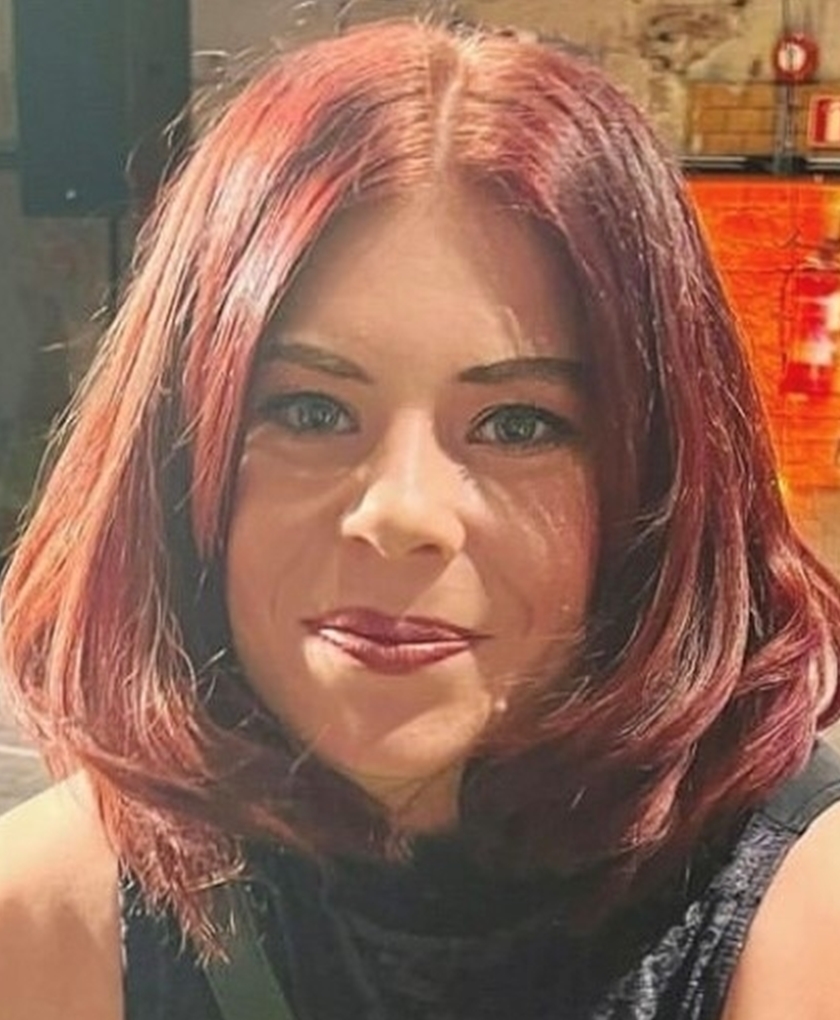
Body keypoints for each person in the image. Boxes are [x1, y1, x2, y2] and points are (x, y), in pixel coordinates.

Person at [1, 18, 840, 1020]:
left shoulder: (800, 915)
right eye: (311, 412)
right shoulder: (51, 918)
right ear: (179, 455)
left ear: (662, 477)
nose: (401, 513)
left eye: (518, 424)